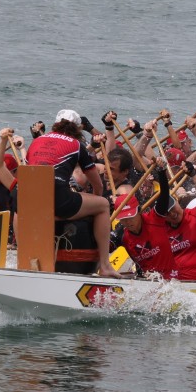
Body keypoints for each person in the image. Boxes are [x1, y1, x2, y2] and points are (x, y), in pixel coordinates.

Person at [24, 109, 122, 278]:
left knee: (19, 199)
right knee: (103, 205)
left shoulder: (37, 141)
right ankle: (105, 266)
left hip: (27, 202)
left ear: (55, 124)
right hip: (58, 201)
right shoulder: (77, 145)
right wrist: (92, 205)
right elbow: (97, 185)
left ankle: (24, 260)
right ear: (77, 128)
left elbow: (26, 172)